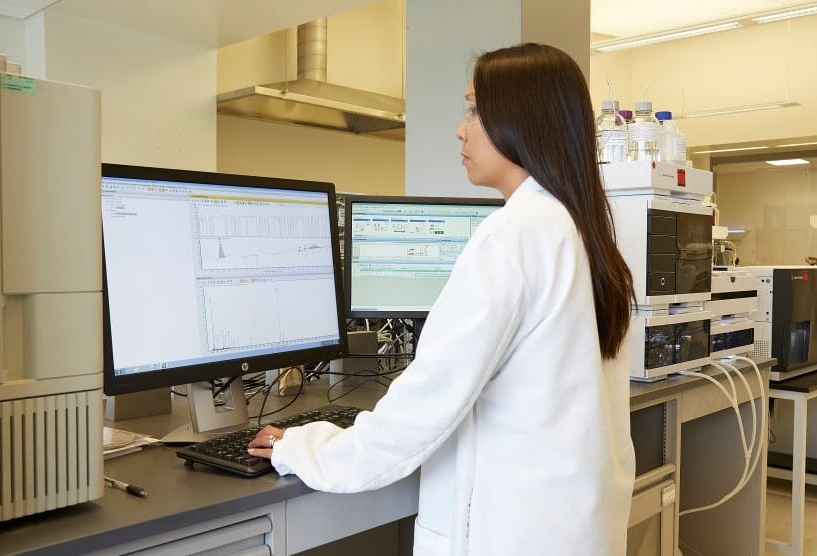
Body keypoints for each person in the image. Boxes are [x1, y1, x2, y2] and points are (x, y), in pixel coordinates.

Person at [249, 43, 637, 555]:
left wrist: (301, 446)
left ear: (523, 120)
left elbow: (421, 412)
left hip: (513, 535)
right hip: (574, 531)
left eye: (475, 110)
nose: (461, 128)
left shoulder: (513, 236)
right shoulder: (582, 231)